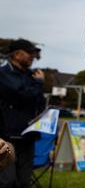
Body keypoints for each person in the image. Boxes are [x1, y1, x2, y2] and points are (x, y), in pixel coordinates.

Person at [0, 39, 45, 188]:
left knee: (24, 180)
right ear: (17, 54)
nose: (32, 57)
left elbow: (39, 101)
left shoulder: (32, 76)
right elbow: (21, 94)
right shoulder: (4, 73)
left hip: (27, 135)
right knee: (7, 180)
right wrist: (38, 84)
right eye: (29, 53)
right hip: (6, 136)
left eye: (34, 54)